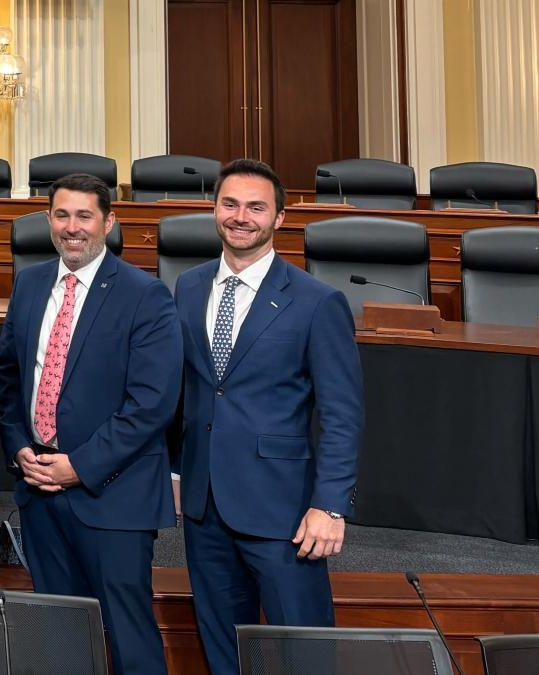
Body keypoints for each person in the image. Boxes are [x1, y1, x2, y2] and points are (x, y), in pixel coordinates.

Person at [174, 159, 363, 675]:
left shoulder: (317, 302)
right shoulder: (188, 288)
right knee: (223, 649)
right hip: (204, 506)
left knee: (302, 653)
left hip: (284, 511)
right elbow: (186, 393)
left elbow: (343, 415)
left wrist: (330, 505)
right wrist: (174, 470)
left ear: (279, 218)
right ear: (214, 209)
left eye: (256, 207)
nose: (241, 217)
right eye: (230, 204)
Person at [0, 173, 181, 675]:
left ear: (109, 221)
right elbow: (8, 378)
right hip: (38, 490)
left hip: (113, 496)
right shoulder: (30, 283)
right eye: (61, 214)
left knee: (128, 635)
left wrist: (78, 465)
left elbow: (152, 403)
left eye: (84, 215)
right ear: (48, 219)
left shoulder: (146, 295)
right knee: (57, 634)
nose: (71, 227)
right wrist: (17, 448)